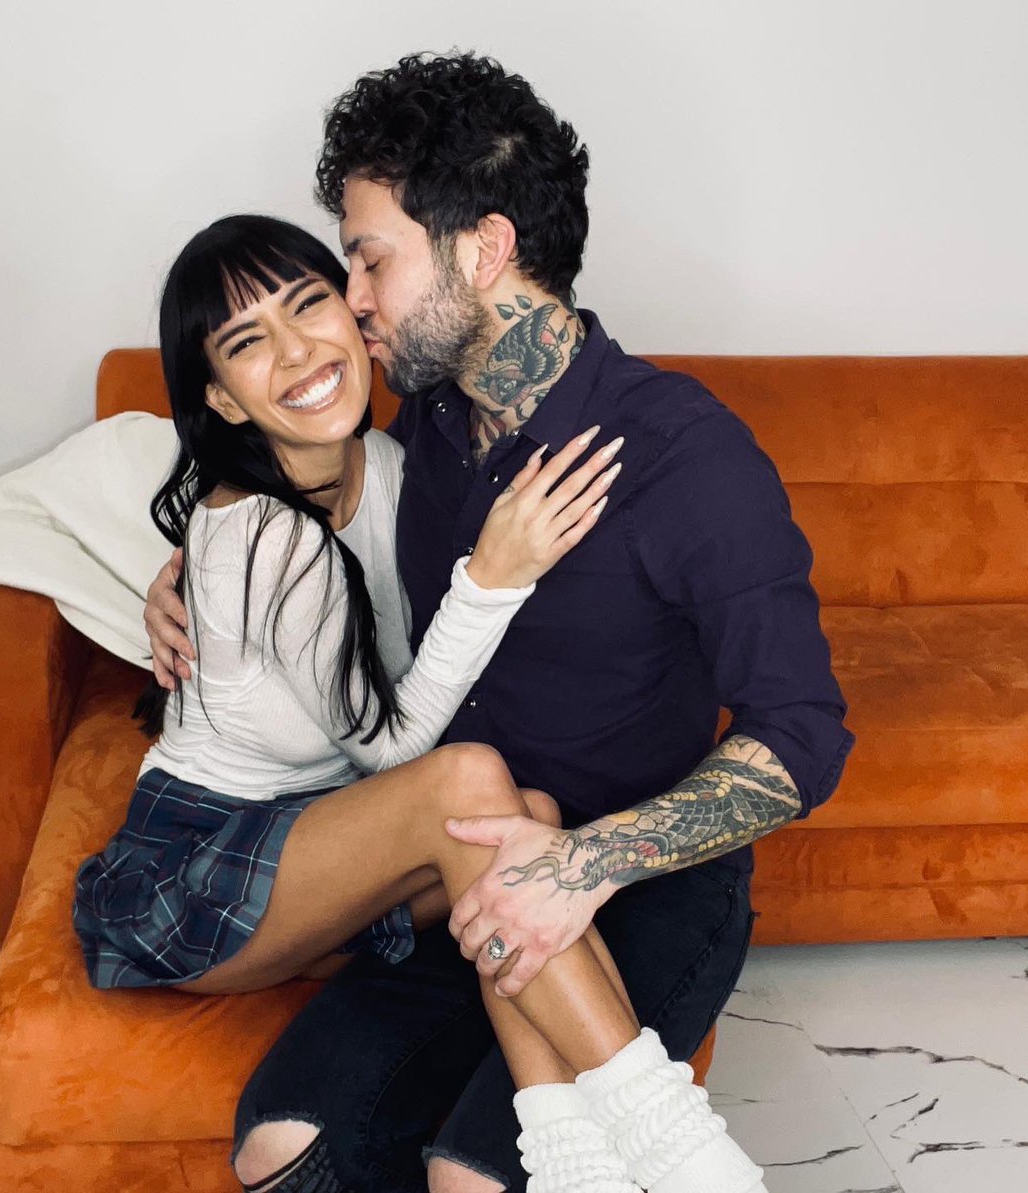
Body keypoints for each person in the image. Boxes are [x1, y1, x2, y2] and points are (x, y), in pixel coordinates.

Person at [147, 55, 853, 1193]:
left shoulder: (684, 454)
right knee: (282, 1145)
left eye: (370, 258)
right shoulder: (413, 429)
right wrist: (186, 575)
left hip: (636, 876)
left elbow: (805, 734)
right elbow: (283, 509)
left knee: (472, 1174)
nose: (353, 298)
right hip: (455, 865)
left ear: (482, 250)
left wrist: (583, 863)